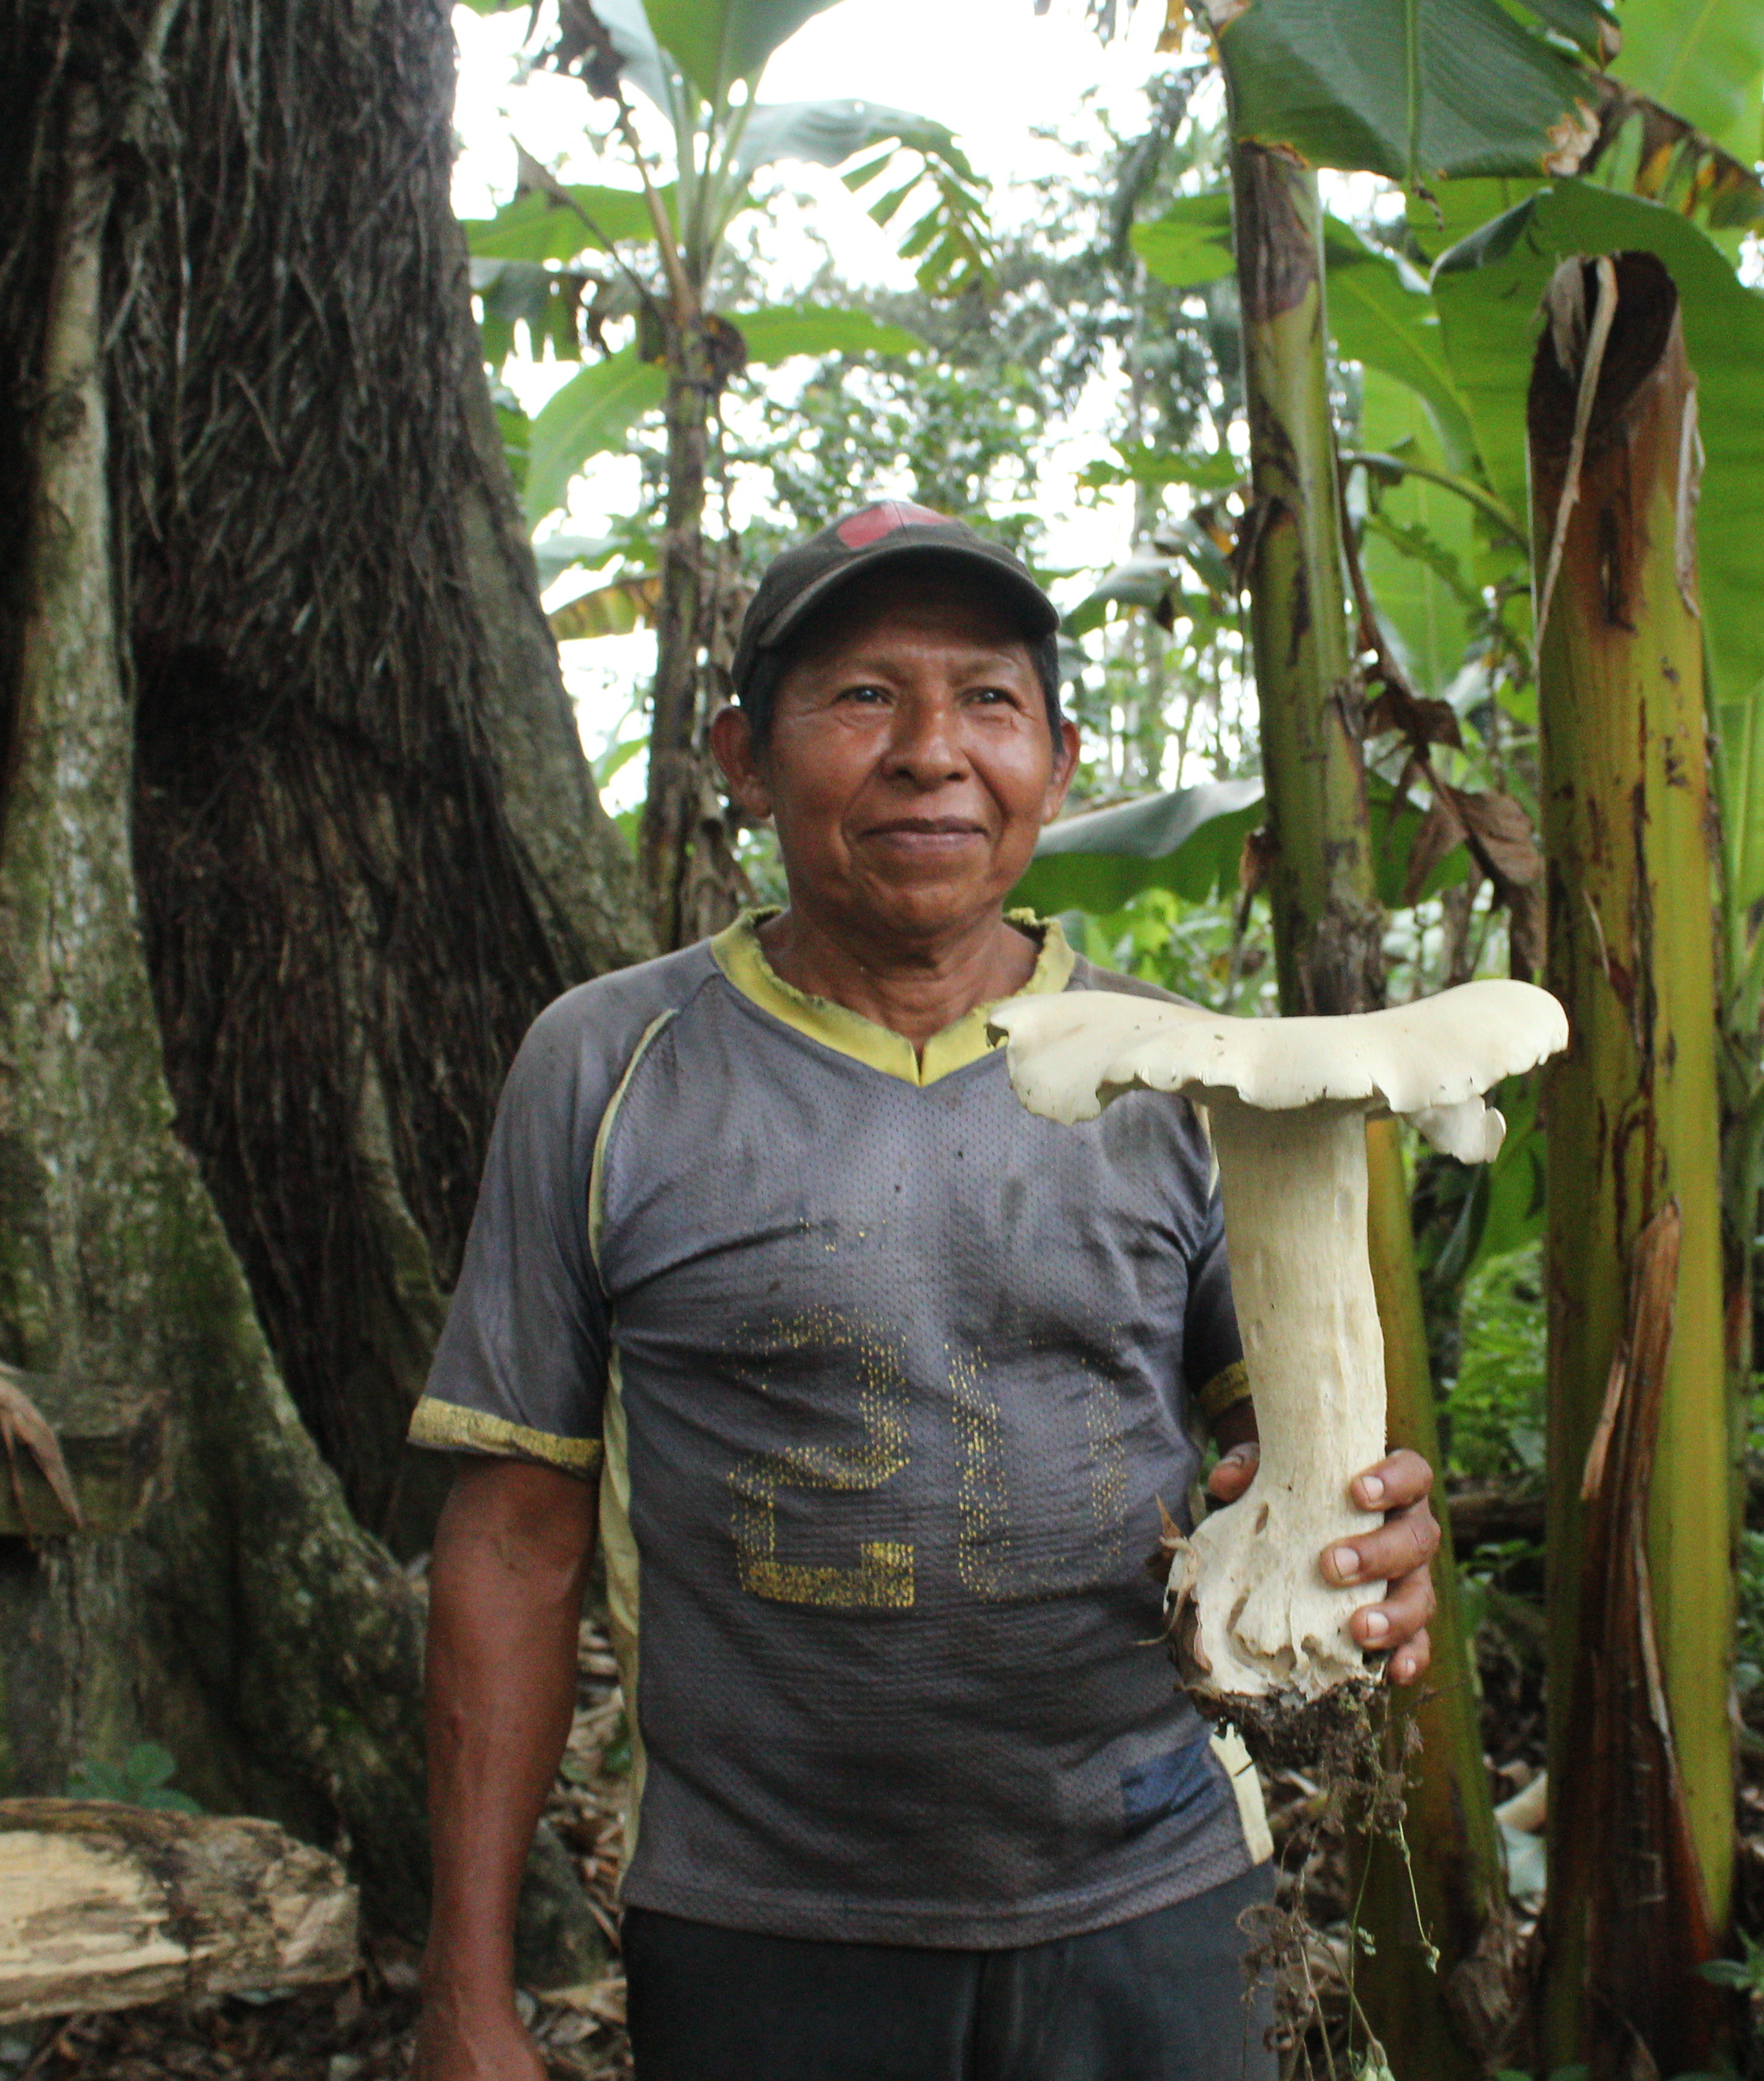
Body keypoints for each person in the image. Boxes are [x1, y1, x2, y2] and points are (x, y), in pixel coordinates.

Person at [405, 499, 1441, 2081]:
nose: (931, 750)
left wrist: (1378, 1535)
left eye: (988, 699)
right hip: (765, 1928)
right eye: (864, 697)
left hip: (1156, 1899)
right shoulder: (610, 1067)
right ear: (747, 759)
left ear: (1060, 760)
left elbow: (1289, 1462)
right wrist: (467, 1986)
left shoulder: (1198, 1077)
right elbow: (512, 1537)